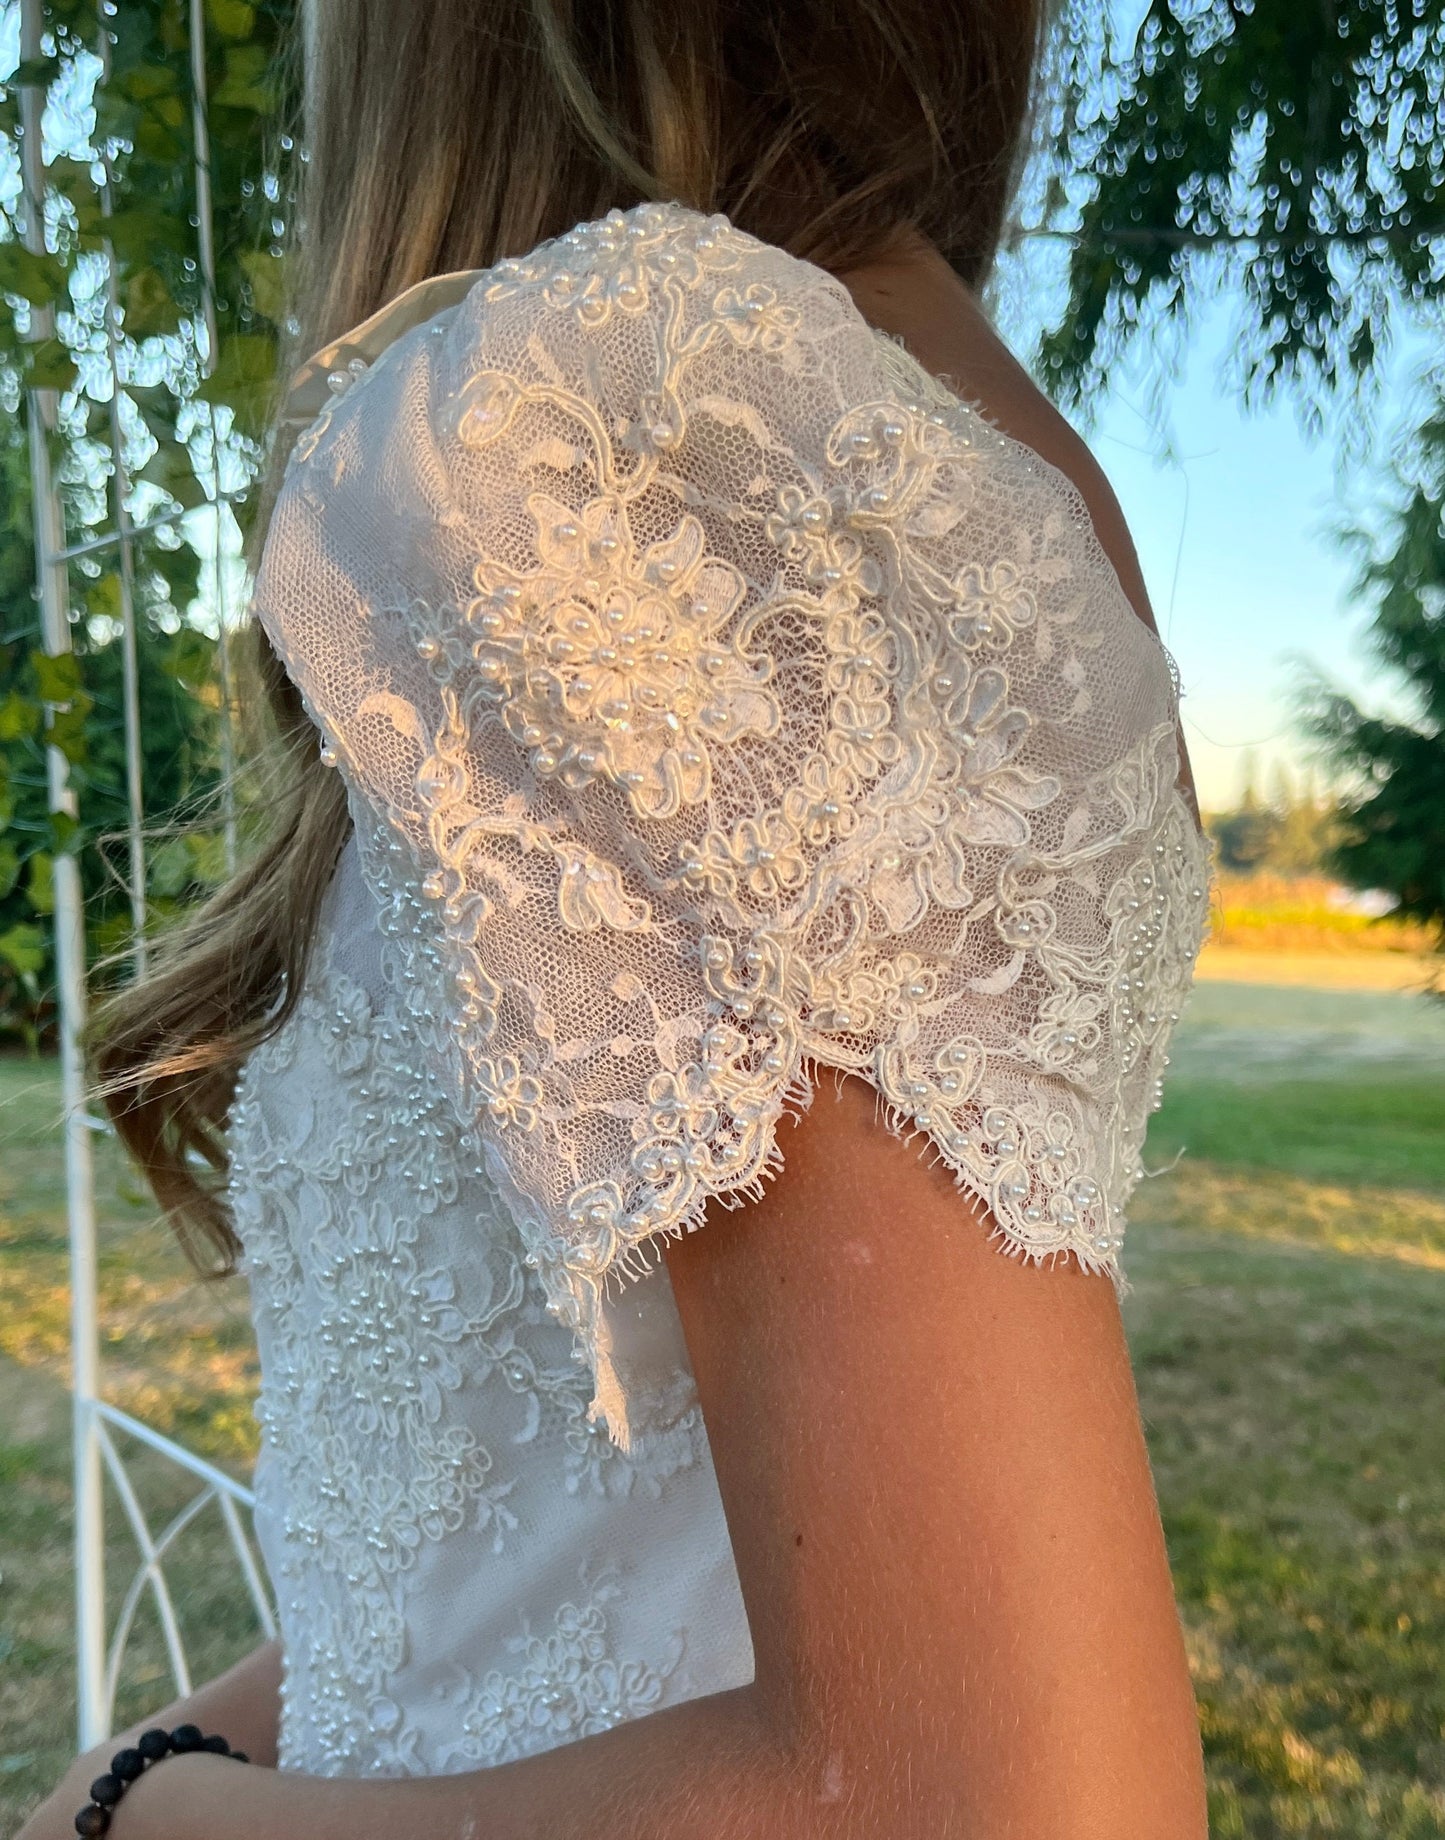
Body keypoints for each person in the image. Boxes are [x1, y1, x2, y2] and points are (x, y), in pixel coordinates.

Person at [21, 1, 1214, 1835]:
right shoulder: (898, 432)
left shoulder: (648, 426)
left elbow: (994, 1796)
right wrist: (198, 1749)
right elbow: (534, 1541)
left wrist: (129, 1817)